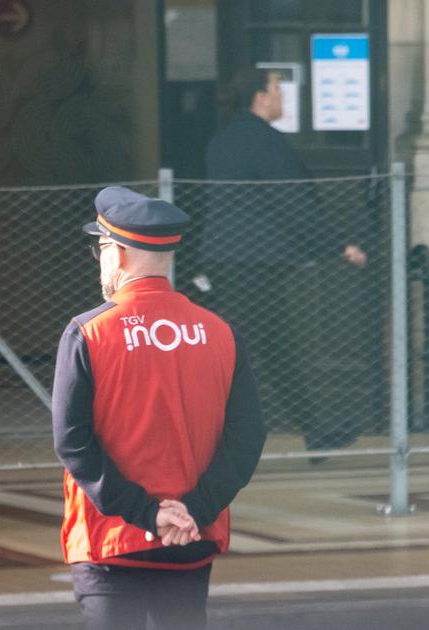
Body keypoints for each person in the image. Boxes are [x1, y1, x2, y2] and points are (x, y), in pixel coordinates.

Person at [52, 186, 266, 630]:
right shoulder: (221, 332)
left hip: (111, 539)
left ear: (117, 254)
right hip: (190, 537)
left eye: (100, 249)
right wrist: (193, 512)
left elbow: (73, 443)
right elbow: (247, 438)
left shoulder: (88, 332)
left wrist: (147, 514)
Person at [199, 67, 368, 457]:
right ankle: (203, 439)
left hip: (228, 262)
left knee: (268, 350)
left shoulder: (221, 142)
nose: (282, 95)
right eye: (277, 88)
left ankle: (314, 432)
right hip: (256, 265)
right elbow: (294, 203)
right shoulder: (267, 142)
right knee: (260, 353)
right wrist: (337, 247)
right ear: (260, 97)